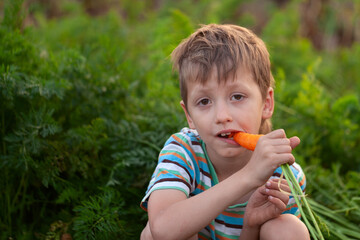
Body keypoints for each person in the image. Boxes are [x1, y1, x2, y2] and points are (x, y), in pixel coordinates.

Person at [140, 24, 310, 240]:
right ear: (189, 115)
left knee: (287, 228)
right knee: (152, 235)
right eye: (204, 101)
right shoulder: (184, 151)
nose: (222, 115)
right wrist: (248, 176)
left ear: (266, 103)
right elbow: (162, 229)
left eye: (237, 97)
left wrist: (251, 227)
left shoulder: (285, 175)